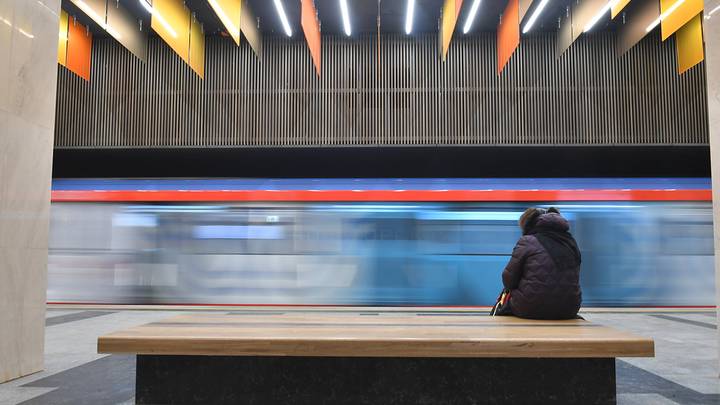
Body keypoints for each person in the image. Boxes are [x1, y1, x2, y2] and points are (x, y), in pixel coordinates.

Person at [501, 207, 582, 320]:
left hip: (529, 308)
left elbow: (508, 280)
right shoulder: (571, 242)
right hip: (569, 309)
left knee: (504, 304)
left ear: (528, 225)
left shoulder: (527, 241)